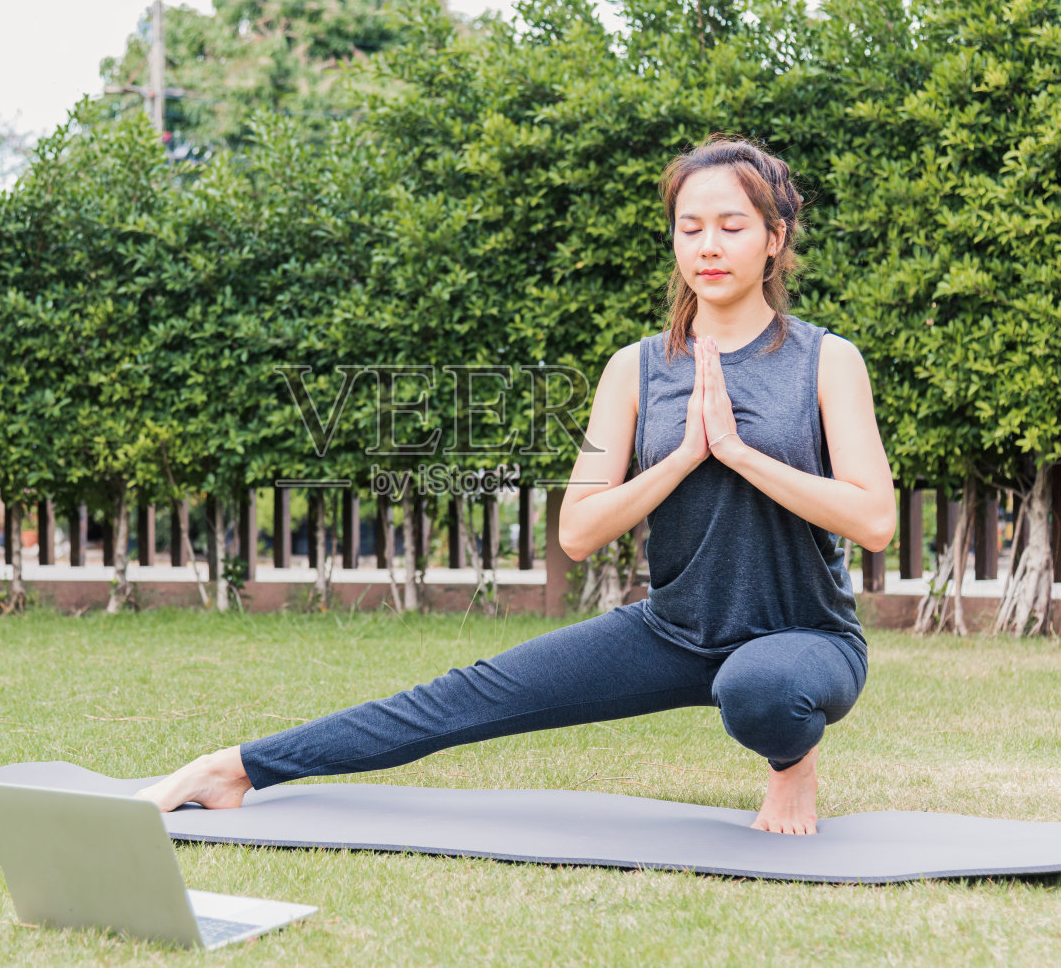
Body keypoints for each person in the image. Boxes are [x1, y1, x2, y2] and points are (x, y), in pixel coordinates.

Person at [135, 137, 897, 835]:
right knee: (462, 697)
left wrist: (735, 452)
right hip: (674, 630)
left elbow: (873, 521)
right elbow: (579, 530)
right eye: (689, 227)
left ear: (775, 238)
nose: (708, 246)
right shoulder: (635, 369)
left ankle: (792, 764)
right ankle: (235, 770)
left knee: (759, 688)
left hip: (805, 637)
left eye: (732, 227)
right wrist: (681, 459)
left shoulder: (826, 362)